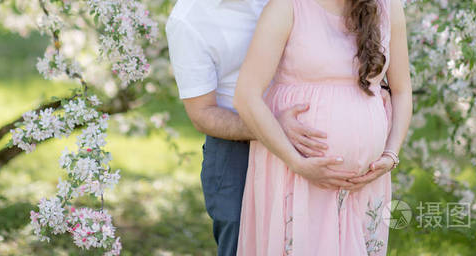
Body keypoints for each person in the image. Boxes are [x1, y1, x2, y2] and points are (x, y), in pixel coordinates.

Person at [165, 0, 393, 255]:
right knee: (243, 243)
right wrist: (274, 128)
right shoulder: (188, 20)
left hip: (314, 144)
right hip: (237, 147)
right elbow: (202, 114)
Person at [232, 0, 412, 254]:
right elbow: (246, 96)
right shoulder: (286, 8)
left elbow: (402, 90)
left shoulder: (388, 7)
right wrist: (296, 161)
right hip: (296, 173)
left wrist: (391, 155)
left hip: (365, 186)